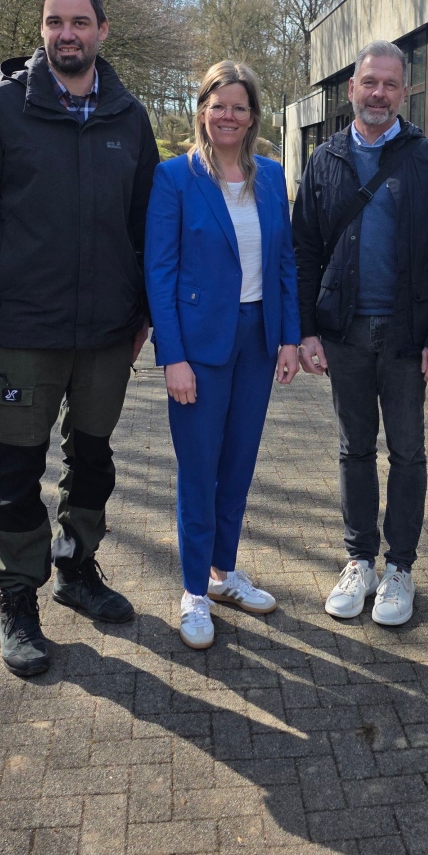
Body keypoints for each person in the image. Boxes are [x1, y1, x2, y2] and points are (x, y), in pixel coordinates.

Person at [0, 0, 158, 678]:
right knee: (16, 468)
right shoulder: (1, 109)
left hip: (106, 333)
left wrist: (145, 312)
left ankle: (77, 568)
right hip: (23, 330)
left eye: (79, 22)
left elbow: (146, 225)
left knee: (92, 459)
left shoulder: (129, 117)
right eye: (54, 22)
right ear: (42, 29)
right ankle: (17, 596)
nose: (66, 34)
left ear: (102, 30)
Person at [292, 40, 428, 627]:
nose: (379, 94)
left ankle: (400, 569)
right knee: (354, 449)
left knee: (408, 451)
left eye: (391, 84)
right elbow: (303, 251)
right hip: (342, 333)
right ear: (351, 89)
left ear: (404, 92)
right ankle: (359, 561)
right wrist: (306, 330)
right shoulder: (325, 159)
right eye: (370, 82)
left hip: (407, 338)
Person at [145, 62, 300, 650]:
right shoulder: (175, 178)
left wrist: (289, 337)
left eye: (239, 106)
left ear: (253, 115)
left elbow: (284, 263)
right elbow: (159, 272)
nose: (228, 116)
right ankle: (193, 592)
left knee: (237, 465)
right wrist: (173, 357)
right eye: (218, 106)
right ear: (202, 112)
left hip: (257, 340)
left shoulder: (271, 176)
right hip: (199, 347)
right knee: (199, 469)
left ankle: (222, 573)